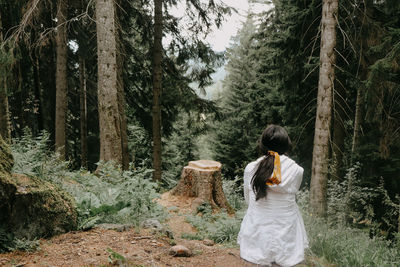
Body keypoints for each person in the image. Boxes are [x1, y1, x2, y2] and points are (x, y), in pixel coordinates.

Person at [237, 125, 308, 267]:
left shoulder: (251, 168)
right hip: (287, 238)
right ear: (286, 144)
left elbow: (248, 199)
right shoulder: (297, 170)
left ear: (262, 145)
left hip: (256, 236)